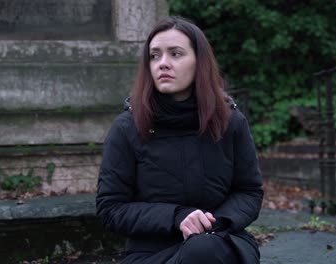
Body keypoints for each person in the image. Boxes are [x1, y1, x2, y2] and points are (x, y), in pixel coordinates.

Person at [96, 16, 263, 264]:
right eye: (155, 55)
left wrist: (214, 224)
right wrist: (176, 217)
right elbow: (110, 208)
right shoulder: (127, 127)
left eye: (175, 54)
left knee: (204, 251)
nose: (162, 64)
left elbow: (248, 191)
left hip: (221, 242)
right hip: (152, 253)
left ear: (199, 62)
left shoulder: (230, 122)